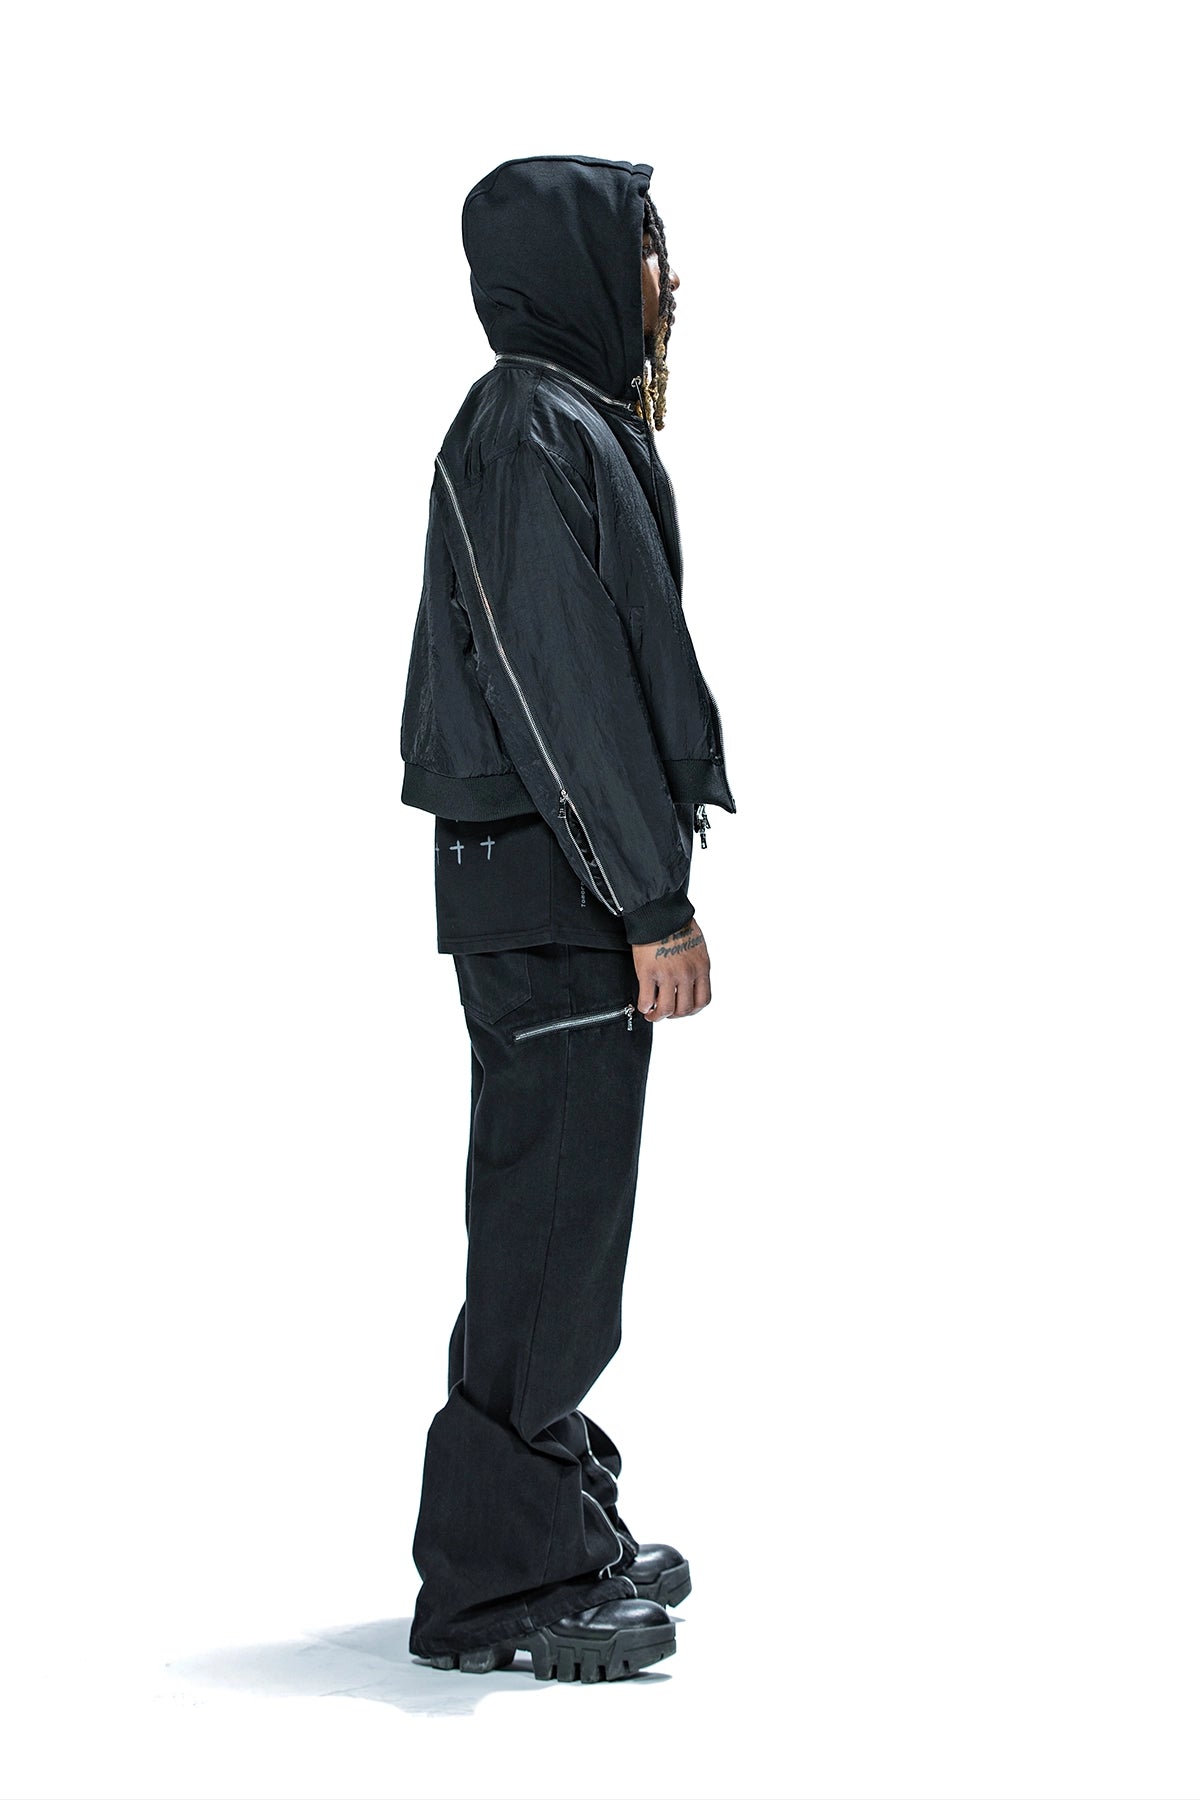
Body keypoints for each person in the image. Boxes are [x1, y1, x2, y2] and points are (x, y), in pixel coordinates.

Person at [398, 153, 735, 1684]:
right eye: (648, 246)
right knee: (548, 1221)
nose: (668, 278)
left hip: (554, 879)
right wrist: (650, 902)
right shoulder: (528, 425)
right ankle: (499, 1587)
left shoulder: (566, 420)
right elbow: (560, 689)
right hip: (557, 887)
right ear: (579, 263)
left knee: (562, 1219)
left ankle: (545, 1516)